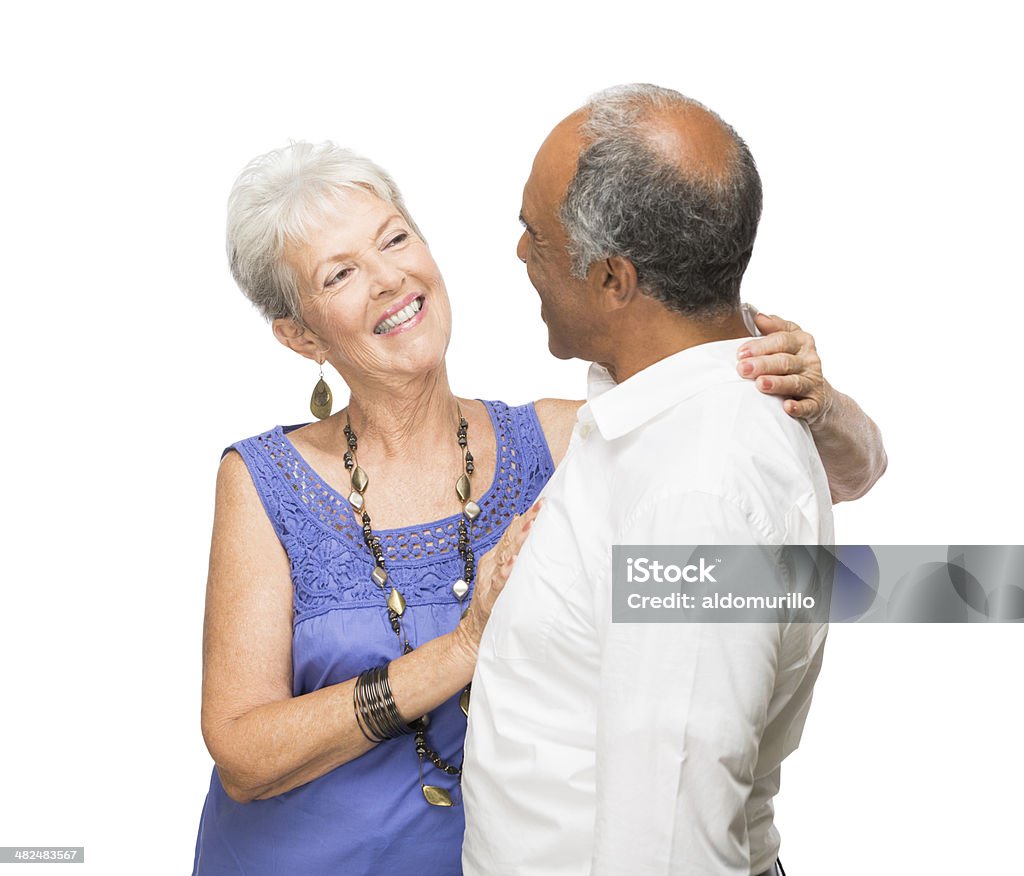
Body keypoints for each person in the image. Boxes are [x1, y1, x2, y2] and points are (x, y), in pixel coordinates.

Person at [192, 139, 884, 874]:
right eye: (340, 274)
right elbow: (242, 753)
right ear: (301, 335)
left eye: (395, 239)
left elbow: (819, 482)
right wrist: (459, 651)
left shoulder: (564, 438)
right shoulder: (264, 479)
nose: (389, 279)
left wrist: (816, 398)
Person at [462, 85, 854, 876]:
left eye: (533, 235)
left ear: (614, 280)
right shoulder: (660, 390)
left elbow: (669, 843)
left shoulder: (697, 494)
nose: (519, 255)